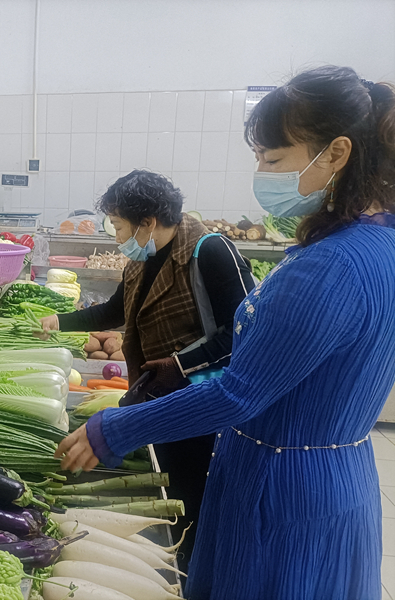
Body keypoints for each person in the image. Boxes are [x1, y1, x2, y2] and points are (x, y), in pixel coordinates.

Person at [56, 65, 395, 600]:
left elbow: (241, 392)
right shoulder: (379, 246)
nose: (261, 173)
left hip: (281, 489)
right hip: (334, 472)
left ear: (336, 153)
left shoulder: (329, 265)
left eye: (273, 159)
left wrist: (116, 429)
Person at [41, 169, 255, 571]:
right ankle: (178, 559)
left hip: (202, 401)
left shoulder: (210, 251)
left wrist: (180, 364)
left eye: (119, 227)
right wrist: (60, 321)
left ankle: (195, 569)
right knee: (172, 482)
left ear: (147, 222)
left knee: (194, 490)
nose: (117, 237)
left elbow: (247, 333)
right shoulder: (141, 259)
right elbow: (117, 311)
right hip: (157, 395)